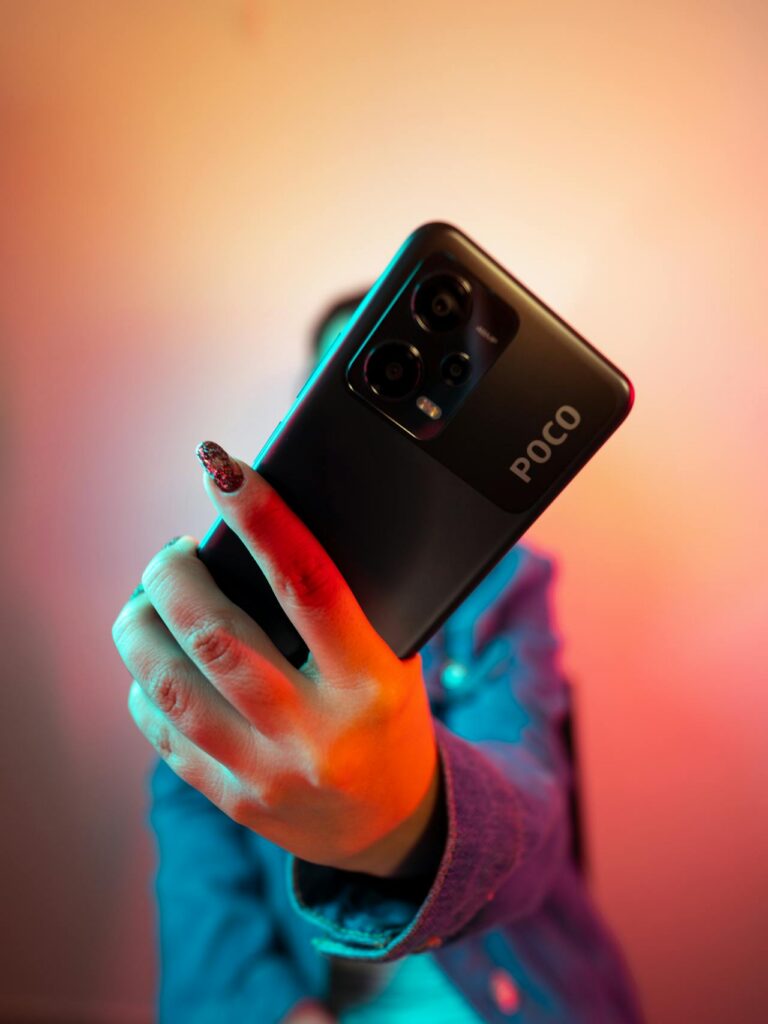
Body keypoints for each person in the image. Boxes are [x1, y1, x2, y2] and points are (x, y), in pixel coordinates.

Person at [111, 292, 645, 1023]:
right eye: (344, 393)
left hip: (517, 992)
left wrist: (408, 824)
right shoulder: (232, 613)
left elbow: (536, 802)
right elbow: (196, 871)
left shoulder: (507, 586)